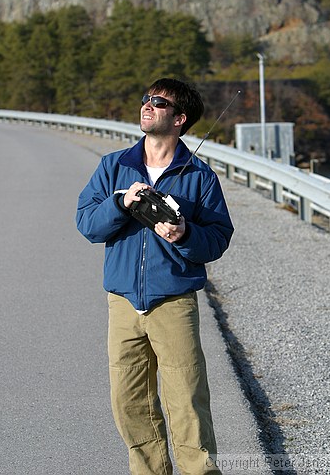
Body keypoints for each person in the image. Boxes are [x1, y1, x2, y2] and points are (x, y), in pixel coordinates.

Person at [76, 78, 233, 475]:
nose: (147, 105)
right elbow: (87, 224)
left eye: (159, 102)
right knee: (130, 405)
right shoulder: (113, 166)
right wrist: (120, 202)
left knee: (187, 404)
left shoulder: (199, 176)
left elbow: (217, 239)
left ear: (180, 119)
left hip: (174, 302)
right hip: (123, 303)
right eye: (146, 99)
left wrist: (185, 234)